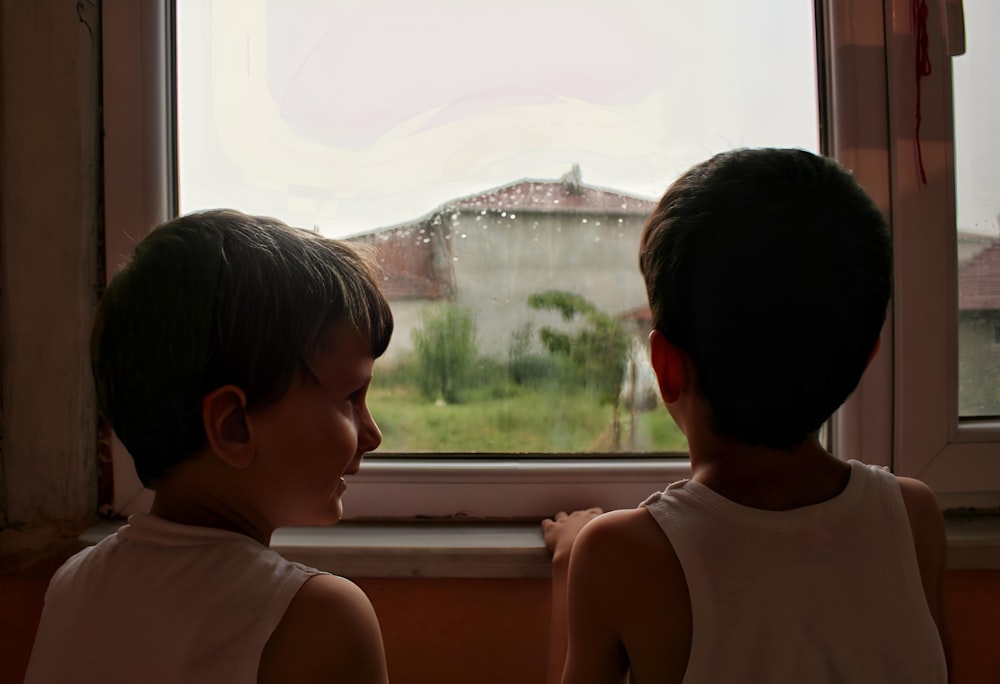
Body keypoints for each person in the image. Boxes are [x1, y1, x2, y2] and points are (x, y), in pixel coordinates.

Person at [543, 148, 950, 683]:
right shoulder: (914, 518)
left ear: (664, 367)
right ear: (864, 359)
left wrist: (567, 567)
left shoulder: (618, 554)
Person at [25, 210, 394, 683]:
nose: (372, 433)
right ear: (235, 426)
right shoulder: (319, 616)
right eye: (350, 397)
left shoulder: (75, 582)